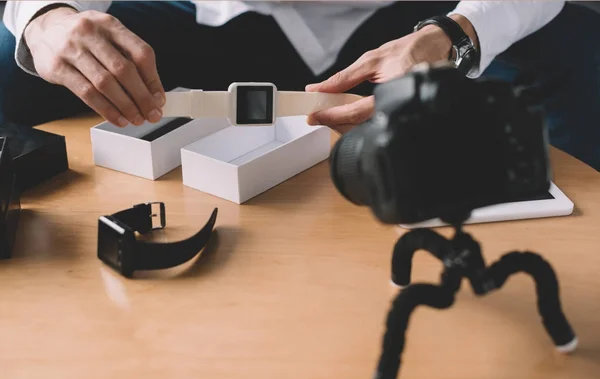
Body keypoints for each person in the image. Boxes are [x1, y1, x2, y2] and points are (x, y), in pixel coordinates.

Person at [1, 1, 598, 170]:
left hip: (395, 21)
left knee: (579, 51)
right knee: (11, 54)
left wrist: (454, 33)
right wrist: (45, 15)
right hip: (193, 16)